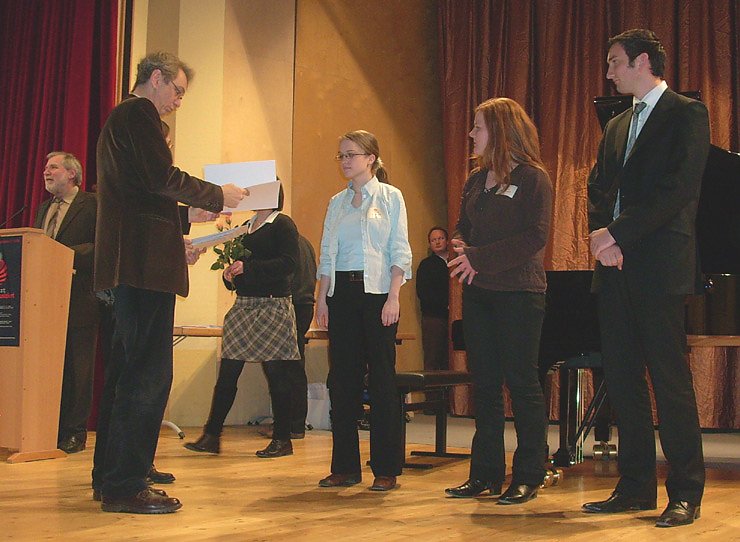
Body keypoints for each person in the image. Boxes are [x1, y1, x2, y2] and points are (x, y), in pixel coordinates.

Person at [93, 51, 246, 514]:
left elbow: (139, 194)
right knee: (148, 376)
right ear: (156, 78)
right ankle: (126, 485)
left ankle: (113, 475)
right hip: (142, 268)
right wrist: (218, 195)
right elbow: (161, 177)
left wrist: (184, 215)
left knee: (127, 373)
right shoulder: (138, 113)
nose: (179, 101)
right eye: (177, 91)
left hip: (133, 264)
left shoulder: (123, 119)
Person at [584, 29, 709, 528]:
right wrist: (603, 239)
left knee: (669, 380)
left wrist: (618, 234)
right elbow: (598, 187)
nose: (608, 72)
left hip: (658, 266)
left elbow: (678, 190)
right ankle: (635, 486)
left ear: (641, 61)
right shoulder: (617, 124)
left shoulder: (686, 113)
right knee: (621, 379)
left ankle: (686, 492)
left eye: (614, 62)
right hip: (614, 266)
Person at [445, 98, 552, 505]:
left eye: (479, 127)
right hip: (479, 293)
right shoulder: (476, 179)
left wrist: (478, 258)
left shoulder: (533, 178)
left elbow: (535, 237)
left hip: (519, 294)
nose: (472, 134)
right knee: (485, 384)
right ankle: (485, 474)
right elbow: (462, 226)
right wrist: (460, 246)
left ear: (502, 131)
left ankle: (528, 475)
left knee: (522, 383)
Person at [315, 130, 412, 492]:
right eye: (340, 155)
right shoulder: (336, 203)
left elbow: (400, 250)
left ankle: (386, 468)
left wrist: (394, 297)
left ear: (370, 158)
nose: (344, 161)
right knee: (342, 381)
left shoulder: (390, 197)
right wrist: (322, 299)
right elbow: (327, 254)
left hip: (377, 294)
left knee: (383, 382)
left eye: (351, 154)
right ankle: (345, 467)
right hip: (341, 295)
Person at [185, 186, 302, 458]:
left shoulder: (282, 224)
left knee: (276, 374)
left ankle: (283, 438)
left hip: (272, 305)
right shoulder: (245, 227)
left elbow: (289, 263)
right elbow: (240, 266)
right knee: (228, 371)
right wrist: (231, 276)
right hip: (244, 305)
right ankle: (212, 435)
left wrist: (248, 268)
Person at [33, 151, 98, 454]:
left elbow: (102, 245)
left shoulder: (92, 204)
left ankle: (75, 432)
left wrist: (64, 255)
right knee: (49, 368)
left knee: (77, 369)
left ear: (72, 174)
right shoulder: (43, 208)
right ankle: (49, 428)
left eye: (53, 167)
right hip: (44, 300)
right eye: (46, 168)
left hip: (80, 299)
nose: (46, 172)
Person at [260, 233, 317, 440]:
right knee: (295, 365)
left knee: (281, 367)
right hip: (305, 304)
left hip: (288, 303)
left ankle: (288, 425)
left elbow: (281, 274)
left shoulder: (282, 241)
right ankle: (295, 424)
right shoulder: (305, 242)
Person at [415, 226, 450, 371]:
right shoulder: (426, 265)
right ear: (429, 244)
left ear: (447, 241)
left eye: (441, 238)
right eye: (433, 240)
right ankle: (433, 386)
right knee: (433, 357)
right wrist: (444, 305)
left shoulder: (457, 261)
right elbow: (423, 292)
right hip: (434, 317)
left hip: (457, 317)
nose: (437, 242)